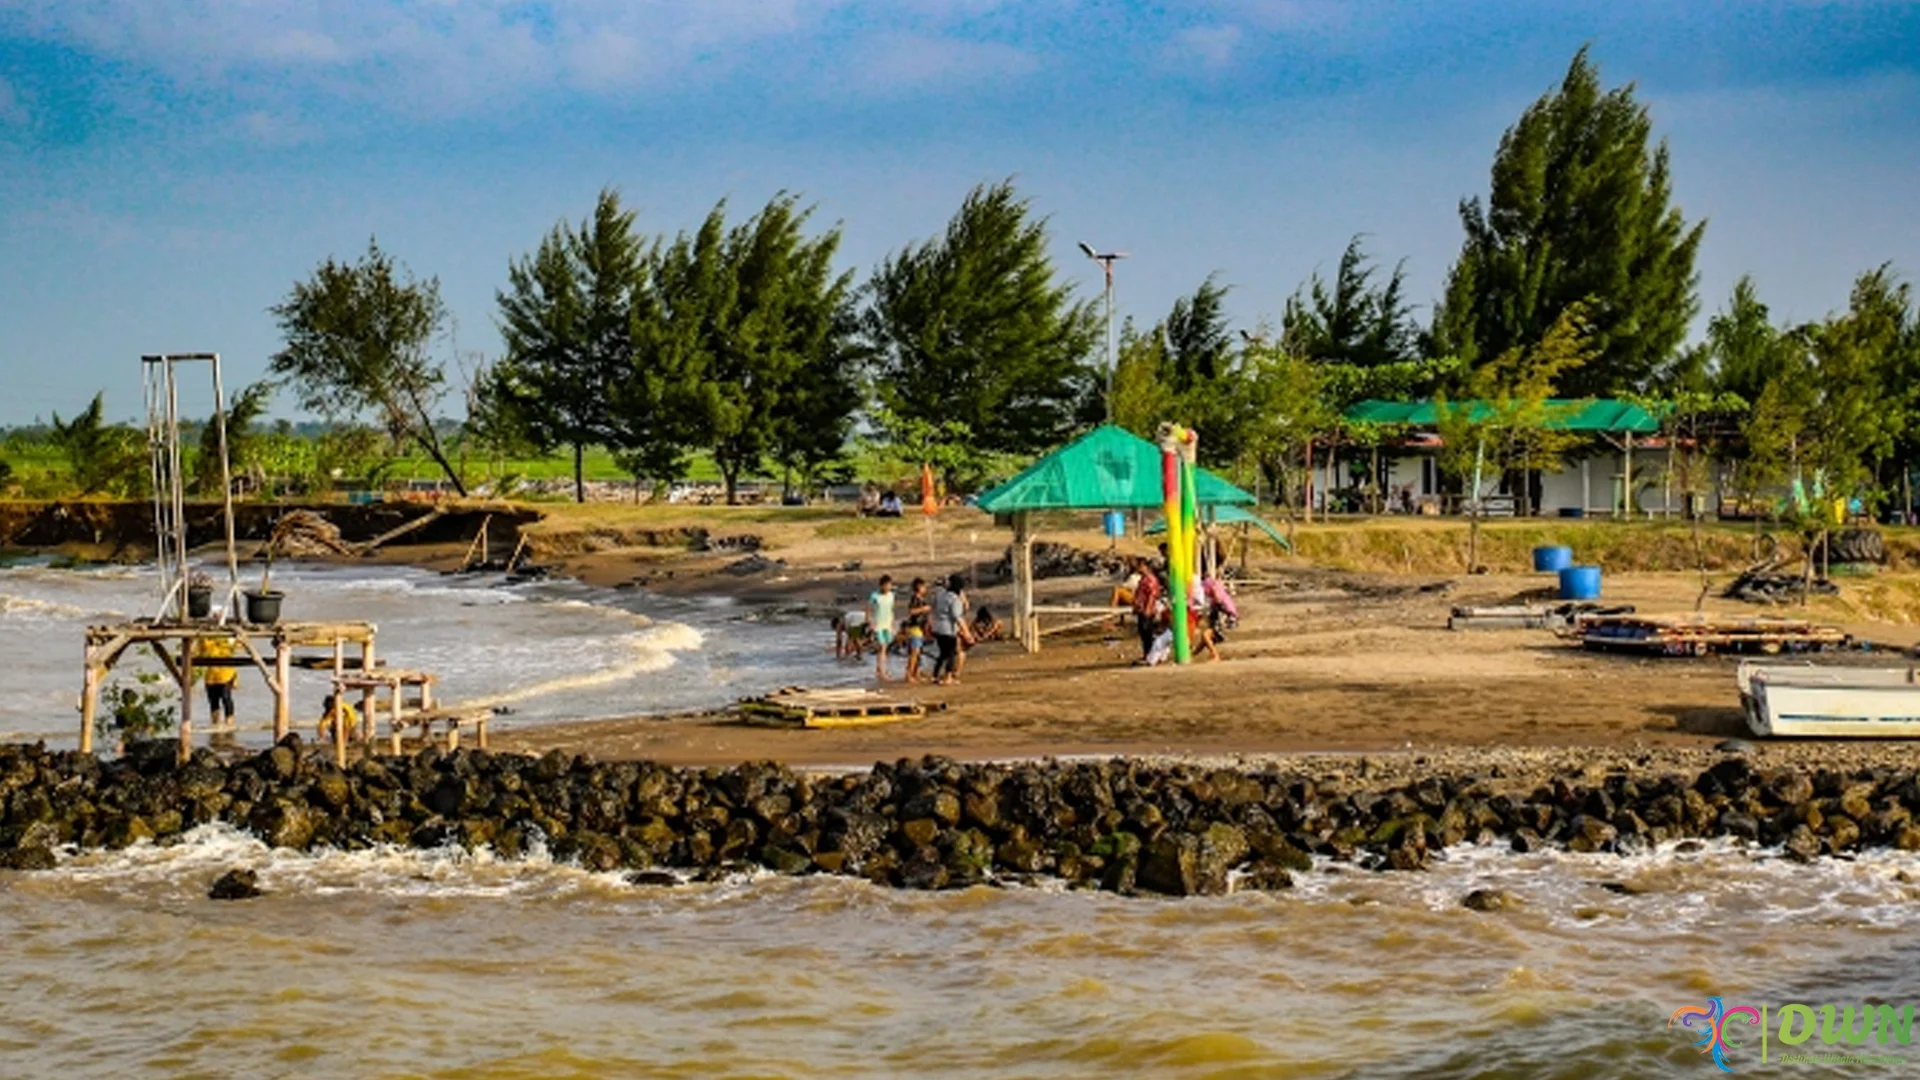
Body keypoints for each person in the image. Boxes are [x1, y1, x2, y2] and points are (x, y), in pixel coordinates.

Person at [931, 574, 974, 685]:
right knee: (951, 654)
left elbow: (934, 608)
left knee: (942, 653)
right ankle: (947, 677)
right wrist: (967, 633)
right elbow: (957, 616)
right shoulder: (954, 599)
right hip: (948, 629)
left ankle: (935, 675)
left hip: (937, 628)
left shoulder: (940, 595)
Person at [200, 635, 240, 731]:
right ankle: (215, 725)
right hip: (211, 676)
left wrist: (236, 639)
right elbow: (199, 652)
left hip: (226, 674)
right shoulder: (205, 639)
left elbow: (239, 645)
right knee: (213, 702)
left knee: (226, 698)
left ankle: (229, 723)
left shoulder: (228, 639)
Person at [1130, 562, 1165, 663]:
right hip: (1141, 609)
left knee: (1147, 632)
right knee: (1143, 632)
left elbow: (1152, 595)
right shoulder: (1143, 579)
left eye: (1140, 566)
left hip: (1147, 610)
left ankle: (1151, 654)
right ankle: (1147, 654)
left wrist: (1148, 608)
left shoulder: (1150, 579)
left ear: (1146, 567)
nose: (1138, 568)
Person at [903, 577, 932, 683]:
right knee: (914, 653)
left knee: (918, 653)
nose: (926, 589)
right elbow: (911, 611)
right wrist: (923, 609)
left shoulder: (922, 599)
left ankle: (915, 673)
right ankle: (909, 675)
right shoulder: (915, 598)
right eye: (924, 587)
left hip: (920, 628)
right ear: (919, 587)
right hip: (915, 628)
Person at [868, 574, 897, 680]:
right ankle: (882, 671)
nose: (888, 587)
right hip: (878, 625)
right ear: (881, 585)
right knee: (882, 648)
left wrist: (893, 625)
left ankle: (879, 669)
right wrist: (870, 623)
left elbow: (891, 610)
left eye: (890, 585)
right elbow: (868, 609)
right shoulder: (874, 596)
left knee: (884, 648)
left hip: (887, 625)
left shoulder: (891, 595)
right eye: (886, 585)